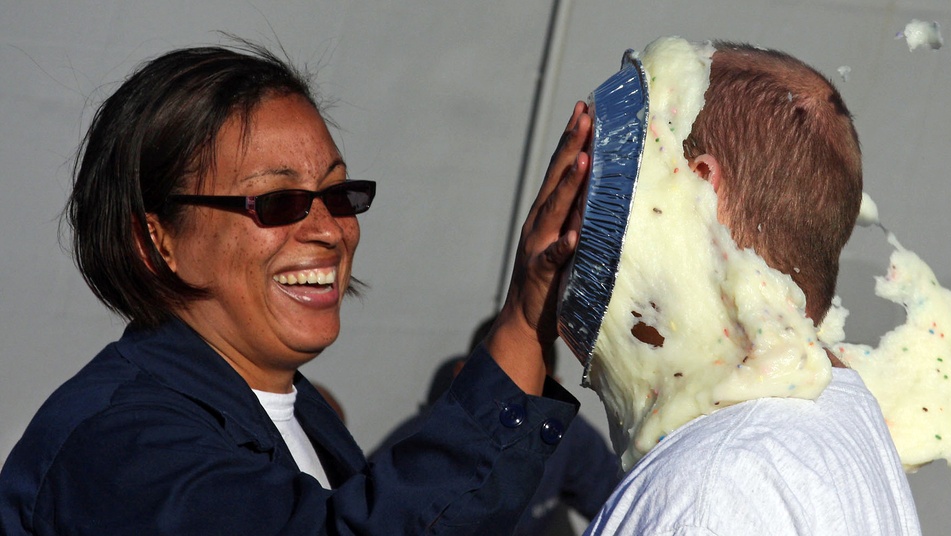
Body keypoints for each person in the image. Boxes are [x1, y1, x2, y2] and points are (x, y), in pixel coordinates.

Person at [0, 42, 592, 535]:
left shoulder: (298, 415)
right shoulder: (122, 447)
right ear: (158, 241)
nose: (329, 229)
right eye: (279, 202)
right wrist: (522, 316)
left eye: (339, 194)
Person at [584, 42, 921, 534]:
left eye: (608, 181)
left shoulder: (709, 492)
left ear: (697, 191)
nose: (578, 222)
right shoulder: (837, 411)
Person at [371, 315, 621, 535]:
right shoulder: (413, 446)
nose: (513, 404)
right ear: (462, 375)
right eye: (500, 382)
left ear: (553, 389)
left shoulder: (567, 437)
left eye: (531, 390)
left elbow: (620, 504)